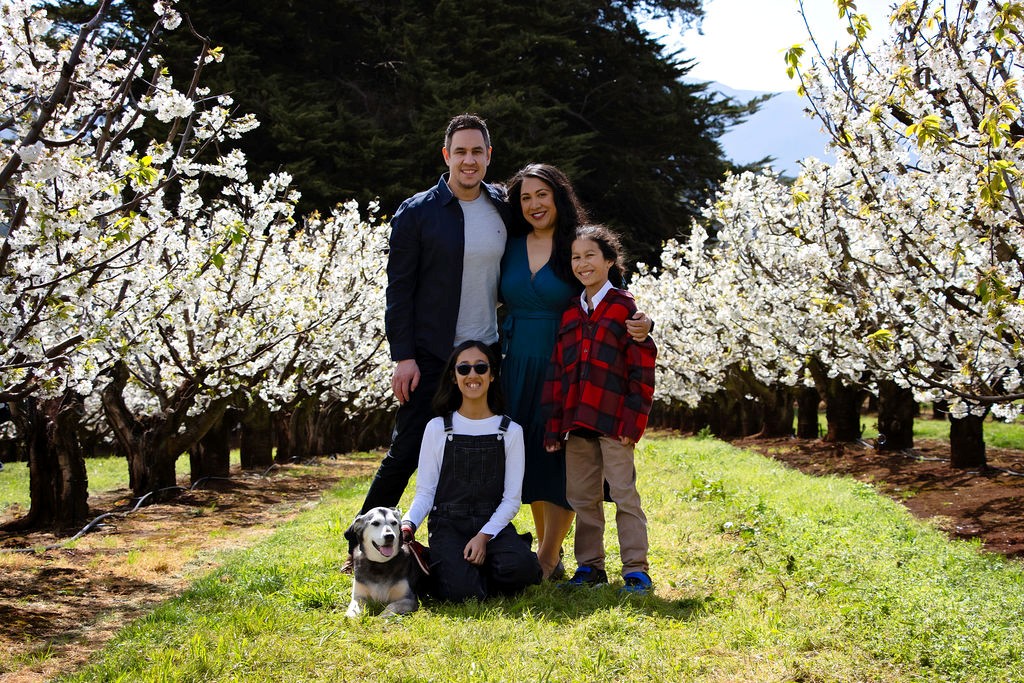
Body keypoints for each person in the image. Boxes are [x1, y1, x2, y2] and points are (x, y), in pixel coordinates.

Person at [354, 114, 513, 541]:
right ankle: (360, 545)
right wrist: (402, 356)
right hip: (430, 356)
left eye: (477, 151)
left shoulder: (503, 207)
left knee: (482, 450)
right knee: (405, 453)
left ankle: (474, 539)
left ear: (488, 156)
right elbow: (399, 291)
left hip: (486, 354)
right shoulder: (418, 213)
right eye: (460, 151)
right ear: (446, 155)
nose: (469, 160)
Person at [500, 163, 651, 580]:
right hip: (517, 364)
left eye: (541, 195)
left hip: (569, 365)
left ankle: (549, 555)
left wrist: (644, 324)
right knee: (531, 456)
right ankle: (556, 549)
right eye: (525, 197)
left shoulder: (576, 245)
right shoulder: (510, 245)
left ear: (558, 197)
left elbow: (616, 294)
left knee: (564, 465)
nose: (534, 204)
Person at [543, 224, 657, 595]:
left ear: (609, 260)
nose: (582, 263)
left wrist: (632, 422)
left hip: (614, 421)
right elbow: (558, 373)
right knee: (582, 498)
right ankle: (590, 567)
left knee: (624, 494)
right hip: (577, 422)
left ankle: (636, 569)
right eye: (576, 257)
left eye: (590, 255)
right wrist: (554, 425)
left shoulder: (626, 308)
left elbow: (642, 370)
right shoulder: (570, 314)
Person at [401, 340, 542, 602]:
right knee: (463, 594)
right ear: (454, 377)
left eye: (480, 367)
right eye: (463, 369)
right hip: (448, 525)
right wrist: (408, 524)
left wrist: (483, 537)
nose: (472, 375)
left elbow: (511, 501)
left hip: (492, 525)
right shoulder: (437, 428)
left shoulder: (510, 431)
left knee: (523, 570)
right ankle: (452, 565)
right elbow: (425, 493)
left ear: (492, 375)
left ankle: (483, 562)